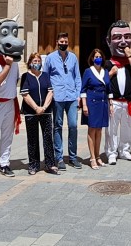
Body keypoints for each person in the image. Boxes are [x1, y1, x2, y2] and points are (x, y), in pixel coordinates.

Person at [0, 14, 26, 179]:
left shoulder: (14, 63)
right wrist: (7, 66)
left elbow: (16, 80)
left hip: (9, 103)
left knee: (7, 136)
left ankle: (5, 163)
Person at [42, 31, 81, 170]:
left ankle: (73, 157)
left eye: (65, 42)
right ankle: (59, 158)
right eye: (61, 42)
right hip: (57, 97)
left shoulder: (73, 58)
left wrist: (78, 94)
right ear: (57, 42)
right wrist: (48, 94)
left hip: (71, 97)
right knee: (57, 126)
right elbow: (45, 77)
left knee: (73, 126)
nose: (63, 44)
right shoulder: (50, 58)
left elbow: (77, 77)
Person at [104, 20, 131, 164]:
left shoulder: (129, 64)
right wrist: (110, 73)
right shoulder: (107, 63)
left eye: (127, 37)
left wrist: (129, 55)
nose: (124, 42)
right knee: (111, 129)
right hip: (114, 102)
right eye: (118, 37)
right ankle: (111, 152)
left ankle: (125, 150)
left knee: (127, 128)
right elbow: (102, 82)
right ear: (108, 41)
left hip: (127, 102)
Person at [21, 51, 59, 174]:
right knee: (32, 139)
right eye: (34, 61)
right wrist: (36, 108)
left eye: (38, 61)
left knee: (48, 138)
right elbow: (25, 94)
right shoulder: (25, 76)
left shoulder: (45, 75)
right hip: (31, 112)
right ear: (30, 63)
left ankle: (50, 164)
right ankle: (33, 165)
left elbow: (50, 92)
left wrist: (44, 107)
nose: (36, 63)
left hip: (46, 112)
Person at [80, 48, 110, 168]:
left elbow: (108, 89)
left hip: (103, 103)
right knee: (92, 130)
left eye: (100, 56)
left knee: (99, 130)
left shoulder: (105, 71)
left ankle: (98, 157)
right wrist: (84, 105)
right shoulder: (88, 71)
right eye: (96, 56)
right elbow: (83, 90)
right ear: (92, 58)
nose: (98, 58)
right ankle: (92, 158)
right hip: (91, 103)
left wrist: (111, 104)